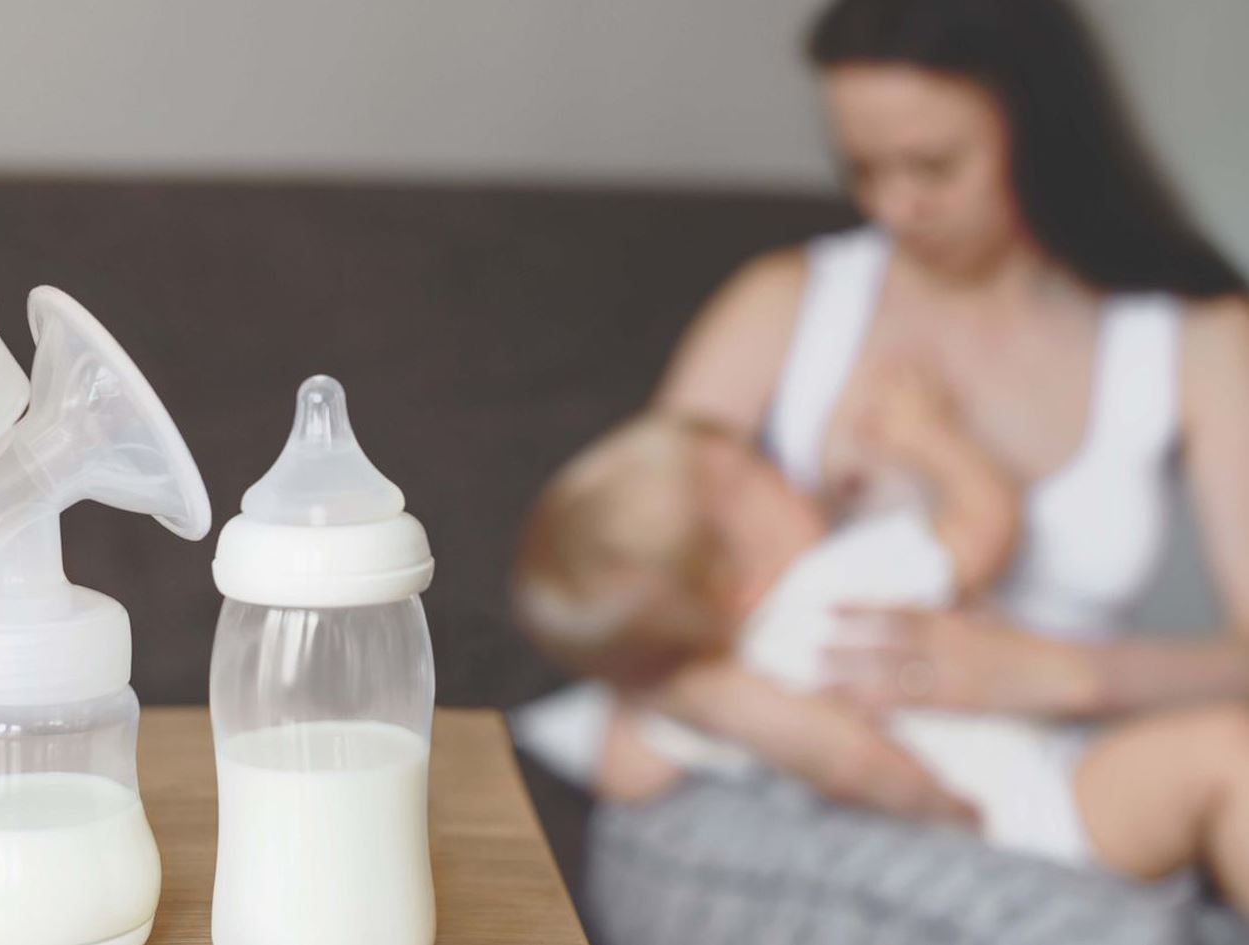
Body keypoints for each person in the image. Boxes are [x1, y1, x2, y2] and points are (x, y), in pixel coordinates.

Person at [633, 0, 1249, 913]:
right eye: (863, 168)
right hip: (803, 760)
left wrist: (1062, 673)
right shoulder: (784, 301)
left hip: (1043, 761)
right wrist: (795, 729)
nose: (895, 207)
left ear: (1043, 134)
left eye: (934, 166)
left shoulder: (1195, 333)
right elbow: (627, 577)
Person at [516, 359, 1127, 866]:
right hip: (1051, 801)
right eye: (757, 469)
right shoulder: (833, 583)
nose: (785, 471)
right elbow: (987, 527)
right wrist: (927, 436)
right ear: (739, 580)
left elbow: (625, 774)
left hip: (978, 843)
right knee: (1189, 761)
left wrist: (652, 671)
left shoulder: (724, 686)